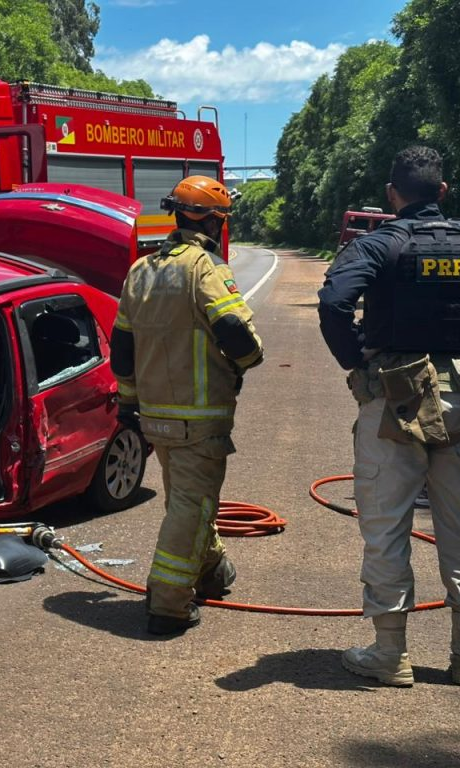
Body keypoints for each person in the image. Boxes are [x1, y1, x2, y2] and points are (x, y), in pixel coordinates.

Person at [318, 145, 460, 687]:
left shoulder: (379, 244)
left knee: (387, 523)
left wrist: (357, 364)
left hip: (393, 394)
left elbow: (333, 305)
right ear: (442, 191)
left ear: (393, 195)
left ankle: (390, 655)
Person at [110, 175, 264, 635]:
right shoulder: (205, 267)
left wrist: (129, 405)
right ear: (214, 223)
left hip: (154, 416)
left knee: (186, 501)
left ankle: (211, 570)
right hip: (200, 419)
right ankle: (169, 602)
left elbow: (121, 348)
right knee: (190, 507)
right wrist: (251, 358)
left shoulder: (140, 270)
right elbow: (236, 332)